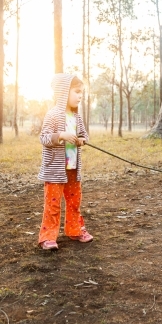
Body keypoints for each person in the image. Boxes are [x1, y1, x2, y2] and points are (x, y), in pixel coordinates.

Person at [38, 73, 93, 251]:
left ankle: (75, 230)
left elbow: (85, 136)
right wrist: (60, 135)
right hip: (55, 170)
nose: (80, 96)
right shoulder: (53, 115)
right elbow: (44, 137)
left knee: (74, 202)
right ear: (64, 92)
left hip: (73, 168)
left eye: (82, 93)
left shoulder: (76, 117)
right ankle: (48, 237)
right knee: (53, 204)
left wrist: (82, 140)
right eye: (77, 92)